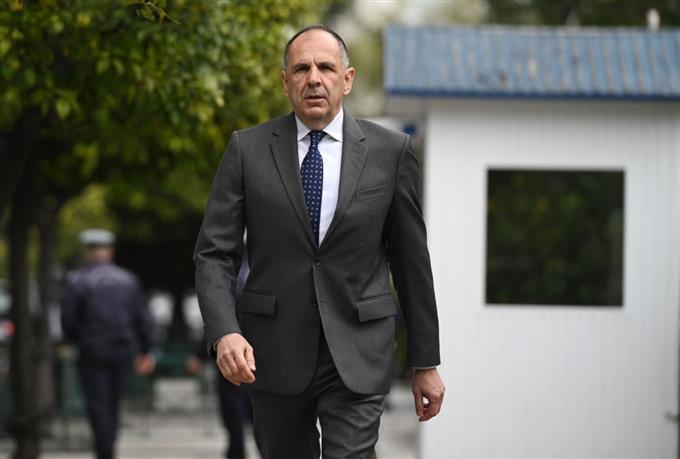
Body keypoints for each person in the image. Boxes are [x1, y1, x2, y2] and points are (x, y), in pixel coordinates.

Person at [193, 24, 444, 459]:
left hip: (359, 350)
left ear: (347, 79)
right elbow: (214, 254)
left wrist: (425, 361)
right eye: (301, 69)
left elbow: (411, 263)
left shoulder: (391, 152)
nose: (314, 79)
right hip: (272, 352)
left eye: (326, 68)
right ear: (285, 81)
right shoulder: (247, 150)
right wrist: (225, 332)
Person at [60, 229, 155, 459]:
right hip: (122, 347)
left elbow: (68, 319)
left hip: (92, 348)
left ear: (88, 252)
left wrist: (75, 340)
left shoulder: (78, 280)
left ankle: (105, 452)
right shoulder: (128, 279)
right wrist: (146, 349)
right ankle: (109, 447)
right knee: (113, 402)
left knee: (97, 403)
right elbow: (142, 318)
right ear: (110, 252)